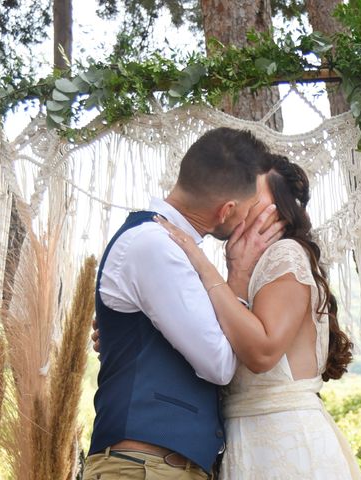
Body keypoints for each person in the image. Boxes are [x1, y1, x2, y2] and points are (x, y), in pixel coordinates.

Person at [83, 127, 285, 480]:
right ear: (226, 210)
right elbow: (220, 364)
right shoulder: (155, 246)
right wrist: (236, 277)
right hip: (144, 467)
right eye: (250, 209)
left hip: (160, 467)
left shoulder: (170, 248)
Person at [155, 153, 361, 480]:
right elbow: (211, 344)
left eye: (253, 195)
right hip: (251, 444)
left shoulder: (285, 255)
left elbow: (262, 351)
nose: (240, 202)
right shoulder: (252, 270)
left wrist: (201, 262)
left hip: (287, 449)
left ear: (280, 210)